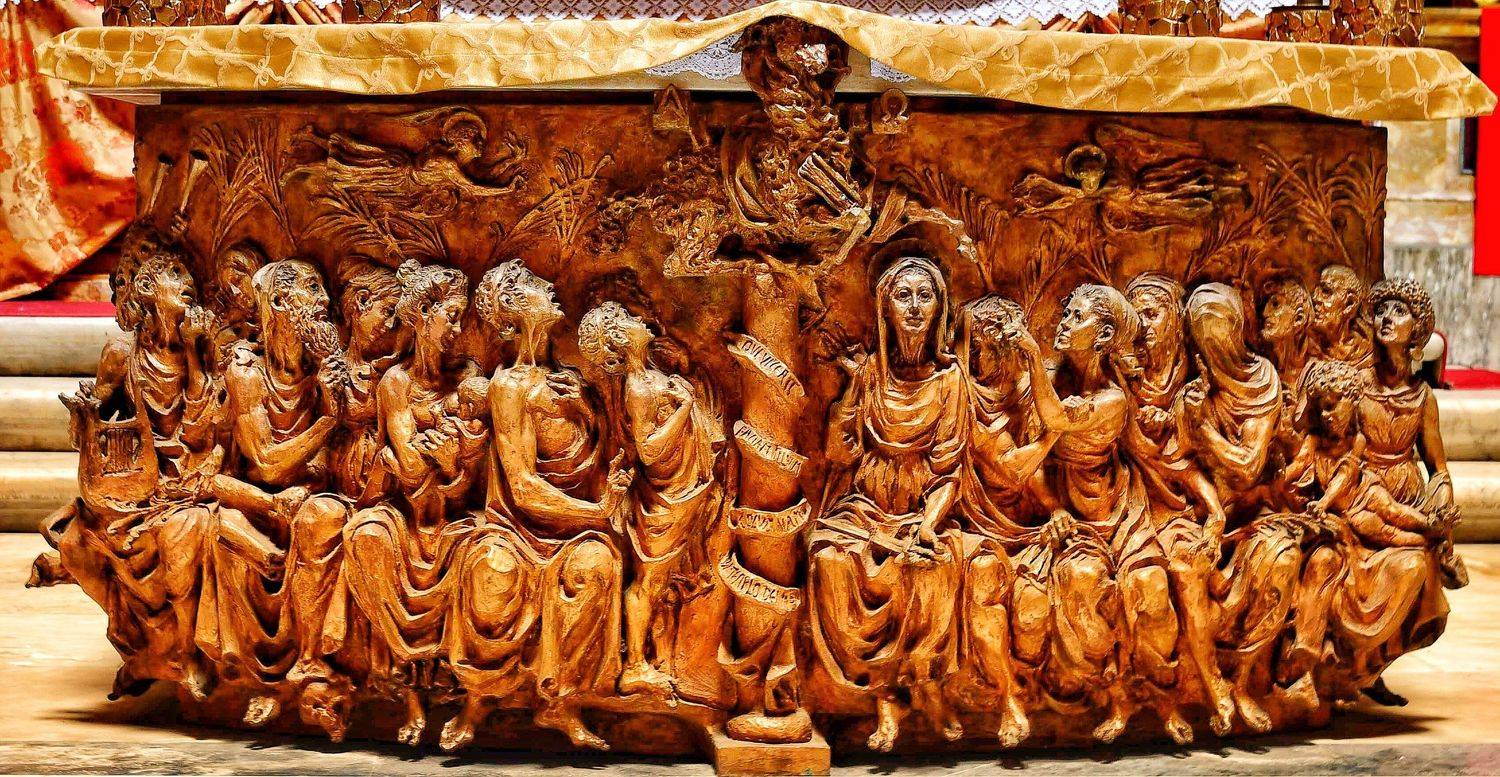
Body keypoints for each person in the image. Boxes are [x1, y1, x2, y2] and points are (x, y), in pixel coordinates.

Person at [441, 260, 631, 752]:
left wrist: (587, 410)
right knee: (493, 570)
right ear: (512, 311)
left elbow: (605, 452)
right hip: (517, 528)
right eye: (531, 286)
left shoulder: (571, 381)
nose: (548, 285)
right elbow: (523, 486)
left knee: (596, 566)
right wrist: (599, 512)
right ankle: (479, 697)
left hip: (573, 528)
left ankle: (561, 702)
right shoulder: (510, 387)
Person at [810, 255, 968, 751]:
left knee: (934, 567)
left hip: (923, 506)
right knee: (831, 561)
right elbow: (839, 452)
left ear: (940, 307)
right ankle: (880, 694)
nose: (915, 307)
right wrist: (850, 389)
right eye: (903, 296)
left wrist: (927, 525)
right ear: (885, 309)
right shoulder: (870, 373)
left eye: (925, 295)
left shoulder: (950, 380)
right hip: (863, 506)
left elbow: (948, 470)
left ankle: (926, 685)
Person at [1010, 283, 1178, 743]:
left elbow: (1059, 420)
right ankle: (1109, 692)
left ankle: (1164, 693)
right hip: (1065, 502)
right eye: (1066, 313)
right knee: (1081, 582)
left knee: (1151, 586)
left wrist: (1030, 354)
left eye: (1077, 317)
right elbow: (1032, 458)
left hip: (1114, 502)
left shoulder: (1113, 399)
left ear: (1103, 336)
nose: (1064, 323)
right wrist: (1052, 509)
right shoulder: (1046, 379)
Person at [340, 259, 487, 746]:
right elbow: (408, 467)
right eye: (452, 316)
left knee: (483, 552)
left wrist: (451, 463)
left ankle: (470, 695)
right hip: (405, 513)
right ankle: (406, 695)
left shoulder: (468, 377)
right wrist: (445, 456)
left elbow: (472, 469)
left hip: (456, 512)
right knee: (366, 537)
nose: (458, 329)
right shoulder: (395, 384)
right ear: (423, 315)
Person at [577, 300, 725, 700]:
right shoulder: (640, 388)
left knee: (662, 583)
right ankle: (634, 666)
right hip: (666, 494)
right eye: (628, 320)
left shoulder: (652, 374)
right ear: (619, 340)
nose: (638, 319)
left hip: (683, 486)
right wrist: (684, 409)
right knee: (649, 581)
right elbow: (649, 449)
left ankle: (660, 658)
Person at [1119, 273, 1235, 739]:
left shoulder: (1192, 384)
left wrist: (1215, 512)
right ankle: (1155, 697)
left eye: (1152, 314)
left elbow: (1186, 466)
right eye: (1136, 316)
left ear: (1174, 320)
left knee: (1187, 572)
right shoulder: (1120, 379)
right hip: (1125, 505)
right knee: (1144, 587)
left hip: (1176, 509)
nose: (1143, 325)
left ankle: (1212, 681)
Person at [953, 295, 1055, 748]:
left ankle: (1046, 691)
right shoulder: (964, 394)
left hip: (1033, 523)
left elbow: (1040, 475)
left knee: (1037, 603)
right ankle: (1010, 697)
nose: (981, 353)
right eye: (973, 343)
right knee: (982, 582)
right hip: (977, 522)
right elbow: (1012, 467)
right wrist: (1056, 431)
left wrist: (1056, 510)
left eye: (992, 340)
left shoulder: (1035, 387)